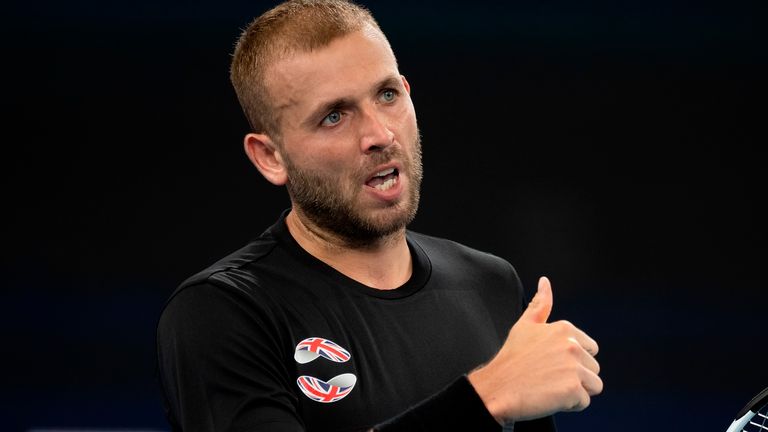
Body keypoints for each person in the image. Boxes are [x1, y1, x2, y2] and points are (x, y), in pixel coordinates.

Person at [155, 1, 603, 431]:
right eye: (334, 116)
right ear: (270, 156)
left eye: (387, 94)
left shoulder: (489, 283)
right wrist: (486, 398)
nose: (380, 133)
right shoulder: (222, 312)